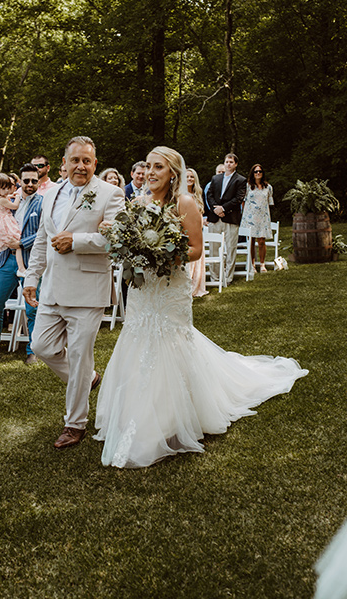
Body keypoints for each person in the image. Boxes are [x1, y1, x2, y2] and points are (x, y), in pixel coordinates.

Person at [94, 146, 308, 468]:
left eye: (159, 168)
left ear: (173, 173)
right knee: (137, 340)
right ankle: (135, 411)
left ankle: (171, 417)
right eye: (149, 167)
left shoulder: (186, 203)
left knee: (170, 342)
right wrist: (132, 249)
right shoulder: (137, 203)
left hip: (170, 288)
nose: (151, 173)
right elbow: (127, 240)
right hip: (142, 289)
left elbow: (195, 249)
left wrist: (161, 255)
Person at [23, 136, 125, 449]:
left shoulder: (111, 193)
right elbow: (42, 238)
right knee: (41, 346)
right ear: (64, 162)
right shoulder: (50, 193)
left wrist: (77, 241)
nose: (80, 166)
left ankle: (75, 423)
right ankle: (89, 380)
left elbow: (119, 238)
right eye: (75, 160)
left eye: (87, 161)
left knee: (80, 357)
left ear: (95, 164)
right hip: (52, 286)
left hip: (87, 288)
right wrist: (31, 276)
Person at [0, 164, 43, 363]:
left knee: (32, 308)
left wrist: (22, 243)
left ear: (38, 182)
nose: (29, 184)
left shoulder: (42, 204)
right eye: (25, 180)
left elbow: (44, 232)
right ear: (19, 181)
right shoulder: (6, 200)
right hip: (5, 258)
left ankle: (32, 350)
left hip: (30, 261)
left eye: (34, 181)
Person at [206, 154, 246, 285]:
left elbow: (238, 198)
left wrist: (223, 208)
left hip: (231, 219)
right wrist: (215, 209)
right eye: (226, 162)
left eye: (231, 162)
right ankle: (215, 277)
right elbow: (209, 194)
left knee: (230, 249)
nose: (228, 164)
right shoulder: (215, 178)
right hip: (214, 218)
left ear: (235, 164)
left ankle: (228, 278)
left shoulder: (240, 180)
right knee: (213, 249)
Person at [240, 164, 274, 273]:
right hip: (250, 217)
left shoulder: (268, 187)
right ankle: (252, 264)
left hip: (263, 217)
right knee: (251, 241)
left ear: (263, 173)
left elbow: (269, 203)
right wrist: (246, 214)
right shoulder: (247, 186)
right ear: (252, 174)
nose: (258, 173)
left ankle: (262, 264)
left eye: (260, 171)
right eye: (255, 171)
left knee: (261, 241)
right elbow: (243, 201)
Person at [186, 167, 208, 297]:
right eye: (187, 176)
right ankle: (187, 286)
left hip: (199, 230)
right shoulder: (180, 195)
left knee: (198, 259)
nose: (189, 179)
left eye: (192, 177)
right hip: (187, 230)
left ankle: (197, 285)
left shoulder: (198, 193)